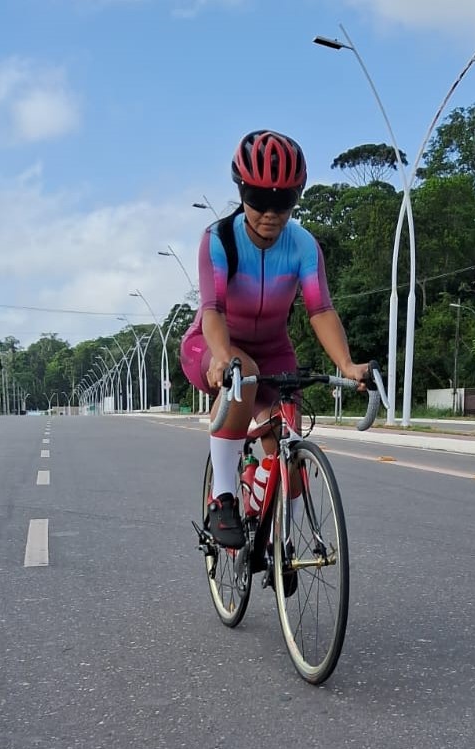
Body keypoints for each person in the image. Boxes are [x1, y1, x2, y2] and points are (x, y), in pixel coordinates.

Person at [180, 129, 368, 549]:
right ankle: (223, 495)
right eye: (260, 201)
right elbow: (213, 309)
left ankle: (280, 537)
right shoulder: (219, 239)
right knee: (241, 372)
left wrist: (347, 365)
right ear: (242, 193)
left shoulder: (303, 245)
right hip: (212, 344)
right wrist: (223, 356)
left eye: (283, 202)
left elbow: (320, 310)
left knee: (288, 445)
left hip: (274, 350)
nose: (271, 214)